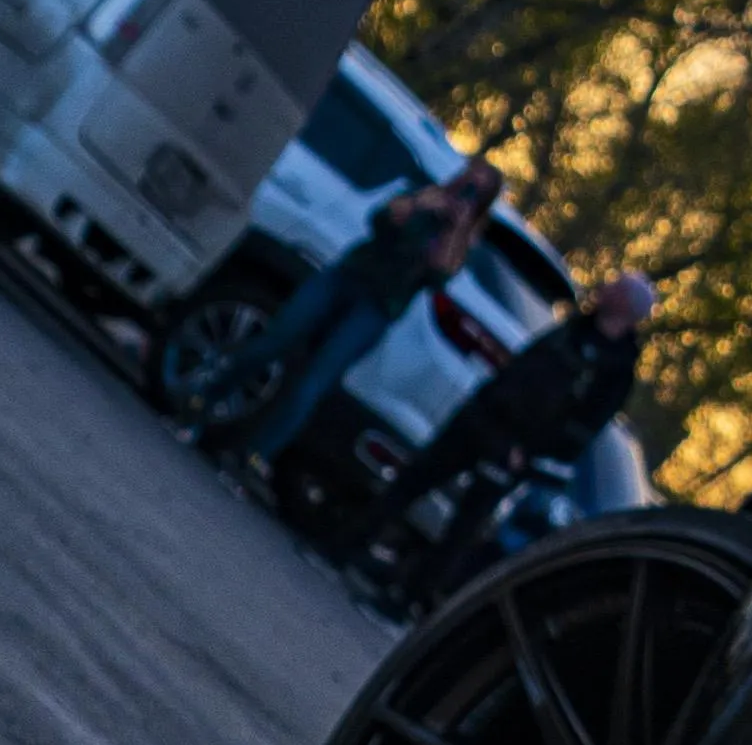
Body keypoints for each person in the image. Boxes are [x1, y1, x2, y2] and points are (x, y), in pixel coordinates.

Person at [194, 155, 502, 476]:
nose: (466, 192)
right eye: (468, 182)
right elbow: (380, 220)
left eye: (475, 192)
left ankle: (253, 456)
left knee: (313, 382)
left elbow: (438, 277)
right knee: (278, 338)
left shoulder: (463, 241)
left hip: (377, 307)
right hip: (346, 278)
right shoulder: (423, 195)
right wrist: (421, 206)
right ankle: (204, 398)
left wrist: (457, 227)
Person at [371, 265, 660, 584]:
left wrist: (529, 452)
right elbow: (523, 366)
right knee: (416, 477)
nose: (606, 286)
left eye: (616, 286)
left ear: (626, 306)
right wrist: (485, 400)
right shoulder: (576, 327)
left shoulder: (616, 370)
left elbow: (582, 428)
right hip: (484, 418)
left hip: (514, 450)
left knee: (464, 527)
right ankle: (354, 541)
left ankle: (413, 591)